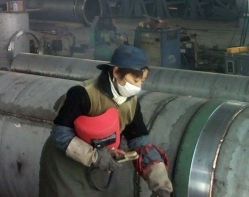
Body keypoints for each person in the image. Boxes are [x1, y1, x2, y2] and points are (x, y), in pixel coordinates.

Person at [38, 45, 173, 196]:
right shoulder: (83, 94)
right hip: (65, 165)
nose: (138, 86)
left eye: (142, 81)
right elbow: (60, 134)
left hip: (97, 166)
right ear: (116, 72)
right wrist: (96, 156)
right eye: (135, 80)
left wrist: (161, 184)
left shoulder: (131, 103)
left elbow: (141, 142)